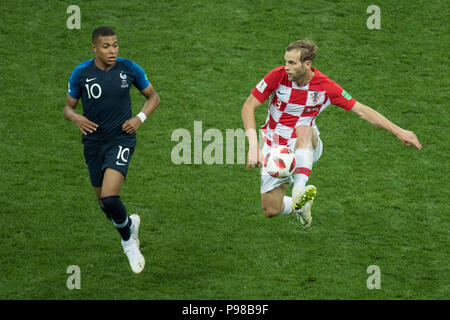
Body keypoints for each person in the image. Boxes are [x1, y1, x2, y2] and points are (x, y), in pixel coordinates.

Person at [241, 39, 421, 229]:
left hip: (306, 143)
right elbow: (248, 106)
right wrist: (254, 147)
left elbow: (361, 110)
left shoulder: (326, 88)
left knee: (303, 126)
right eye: (286, 61)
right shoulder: (277, 76)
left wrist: (398, 131)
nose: (286, 67)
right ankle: (300, 206)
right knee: (271, 210)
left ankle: (299, 188)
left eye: (292, 63)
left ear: (307, 64)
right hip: (274, 145)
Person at [63, 26, 160, 273]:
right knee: (104, 204)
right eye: (106, 46)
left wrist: (139, 118)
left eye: (115, 45)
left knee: (110, 196)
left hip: (121, 140)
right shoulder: (81, 73)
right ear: (94, 48)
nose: (113, 51)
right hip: (94, 143)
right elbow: (68, 109)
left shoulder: (129, 69)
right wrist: (77, 119)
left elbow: (153, 97)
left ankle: (128, 241)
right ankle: (129, 224)